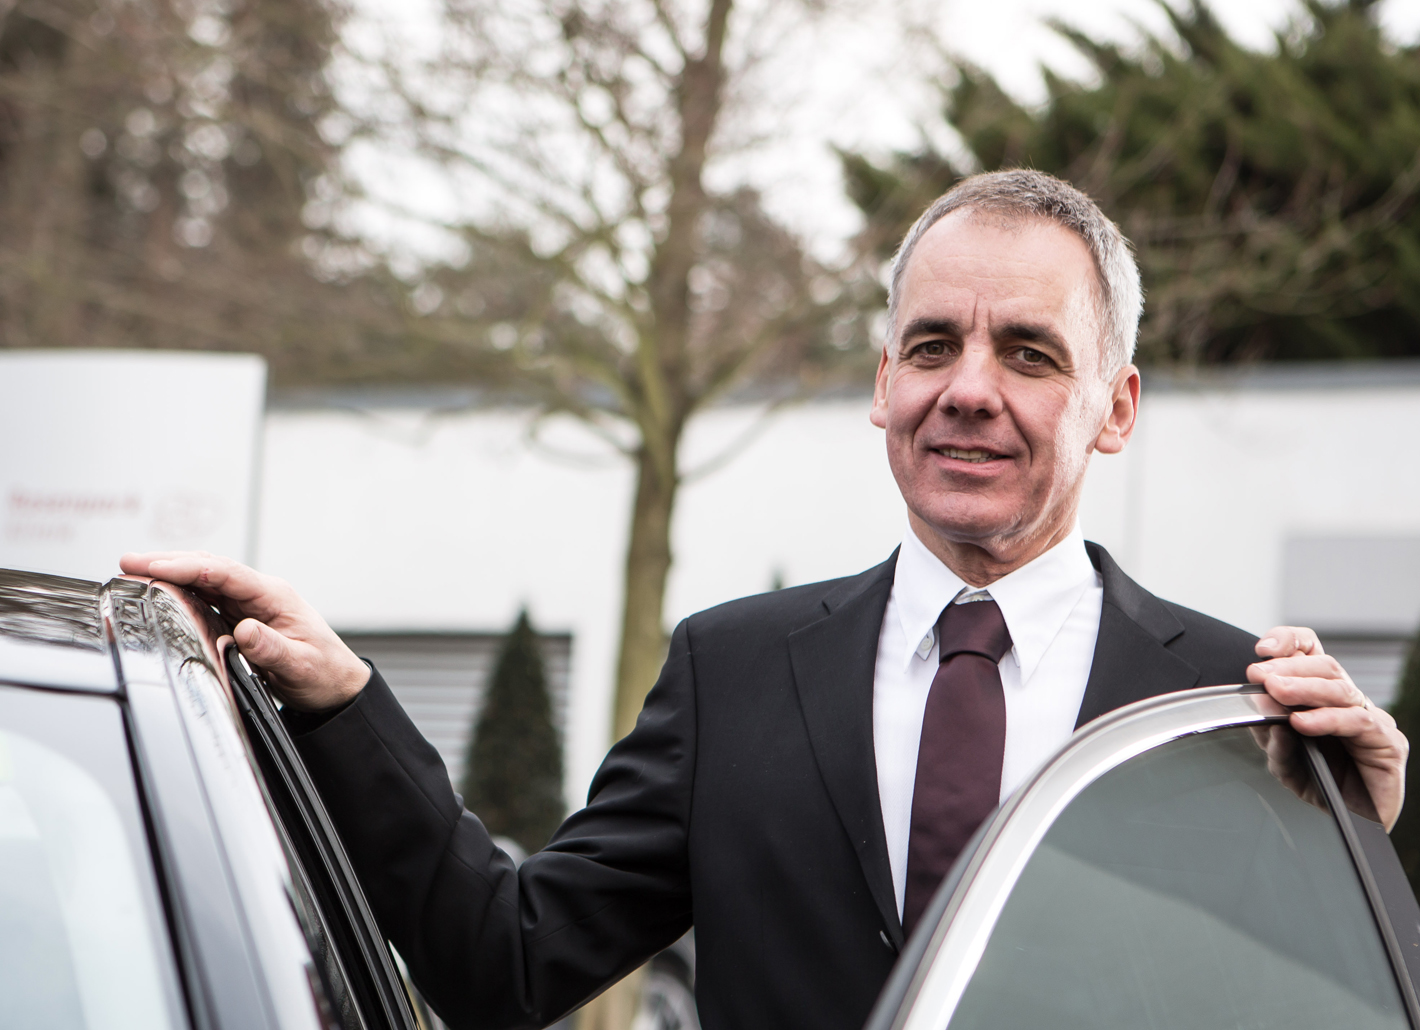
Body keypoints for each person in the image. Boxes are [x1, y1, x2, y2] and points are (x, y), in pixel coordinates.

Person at [122, 170, 1408, 1030]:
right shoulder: (734, 670)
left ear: (1114, 408)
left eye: (1027, 353)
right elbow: (505, 963)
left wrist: (1365, 841)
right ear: (880, 385)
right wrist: (347, 708)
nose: (966, 389)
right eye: (929, 344)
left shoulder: (1223, 711)